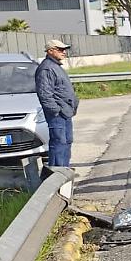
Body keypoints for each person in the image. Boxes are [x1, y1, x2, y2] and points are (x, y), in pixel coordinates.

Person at [35, 38, 79, 167]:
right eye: (60, 49)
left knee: (66, 142)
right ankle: (57, 173)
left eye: (64, 49)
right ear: (50, 51)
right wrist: (56, 111)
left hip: (65, 112)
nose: (64, 52)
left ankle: (64, 170)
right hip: (58, 114)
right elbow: (45, 94)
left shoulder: (55, 67)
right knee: (59, 143)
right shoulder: (47, 69)